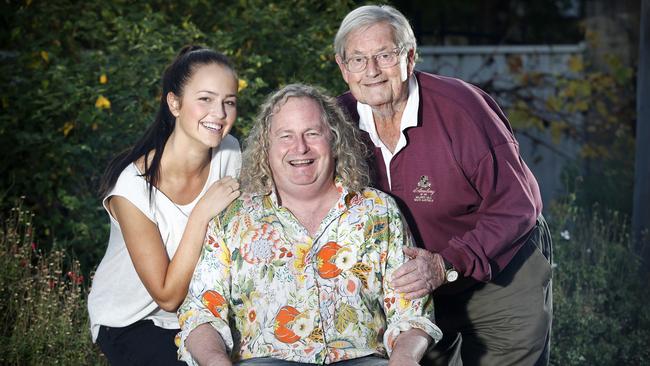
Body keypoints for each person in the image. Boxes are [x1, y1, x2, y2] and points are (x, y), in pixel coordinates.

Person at [334, 5, 553, 366]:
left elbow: (518, 206)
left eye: (384, 55)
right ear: (342, 67)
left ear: (410, 56)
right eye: (357, 59)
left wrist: (446, 263)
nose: (371, 71)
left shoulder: (462, 110)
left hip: (498, 275)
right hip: (412, 296)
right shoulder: (337, 121)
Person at [176, 83, 442, 366]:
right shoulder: (233, 218)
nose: (300, 148)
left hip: (362, 360)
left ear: (334, 139)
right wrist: (216, 362)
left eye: (312, 133)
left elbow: (412, 314)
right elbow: (200, 315)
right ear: (266, 146)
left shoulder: (378, 211)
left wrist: (404, 357)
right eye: (285, 136)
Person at [87, 45, 243, 365]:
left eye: (229, 102)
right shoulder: (131, 189)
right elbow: (167, 296)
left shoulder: (229, 152)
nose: (220, 113)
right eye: (205, 99)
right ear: (174, 103)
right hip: (132, 317)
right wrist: (201, 214)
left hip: (201, 307)